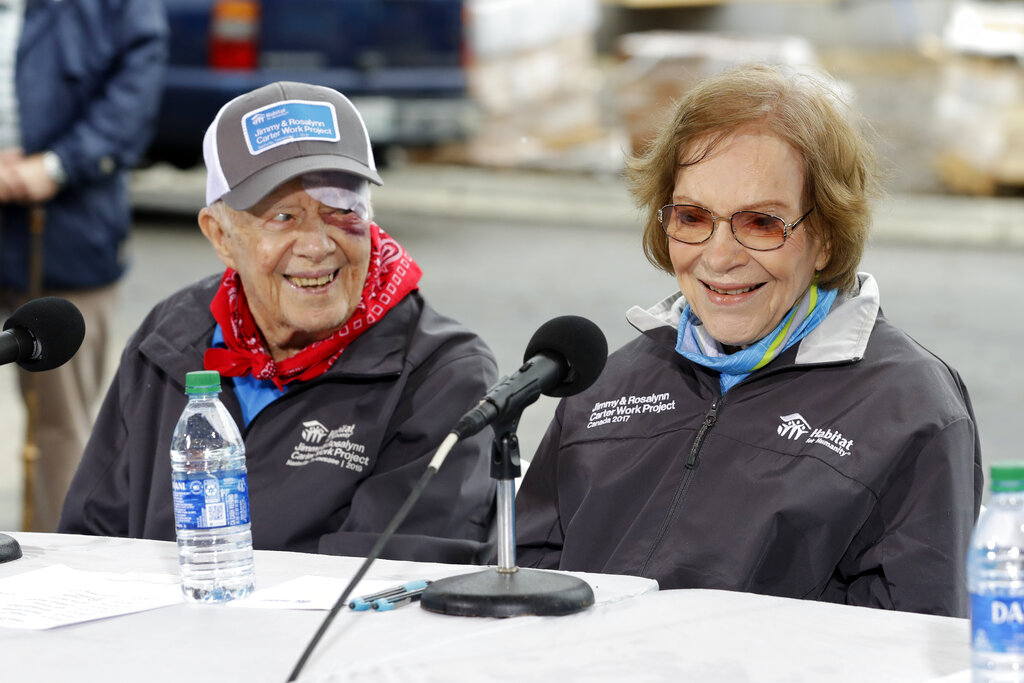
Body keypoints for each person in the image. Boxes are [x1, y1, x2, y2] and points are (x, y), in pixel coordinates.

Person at [514, 63, 982, 617]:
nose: (719, 256)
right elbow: (526, 593)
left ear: (827, 238)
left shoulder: (912, 411)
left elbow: (916, 647)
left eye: (760, 222)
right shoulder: (601, 386)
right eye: (692, 217)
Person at [58, 81, 498, 564]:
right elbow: (92, 542)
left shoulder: (442, 375)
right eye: (284, 216)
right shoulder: (171, 338)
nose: (317, 244)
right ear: (221, 235)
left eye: (342, 209)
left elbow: (382, 590)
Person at [0, 0, 168, 531]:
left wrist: (55, 166)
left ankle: (54, 571)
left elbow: (131, 99)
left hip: (67, 231)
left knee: (59, 422)